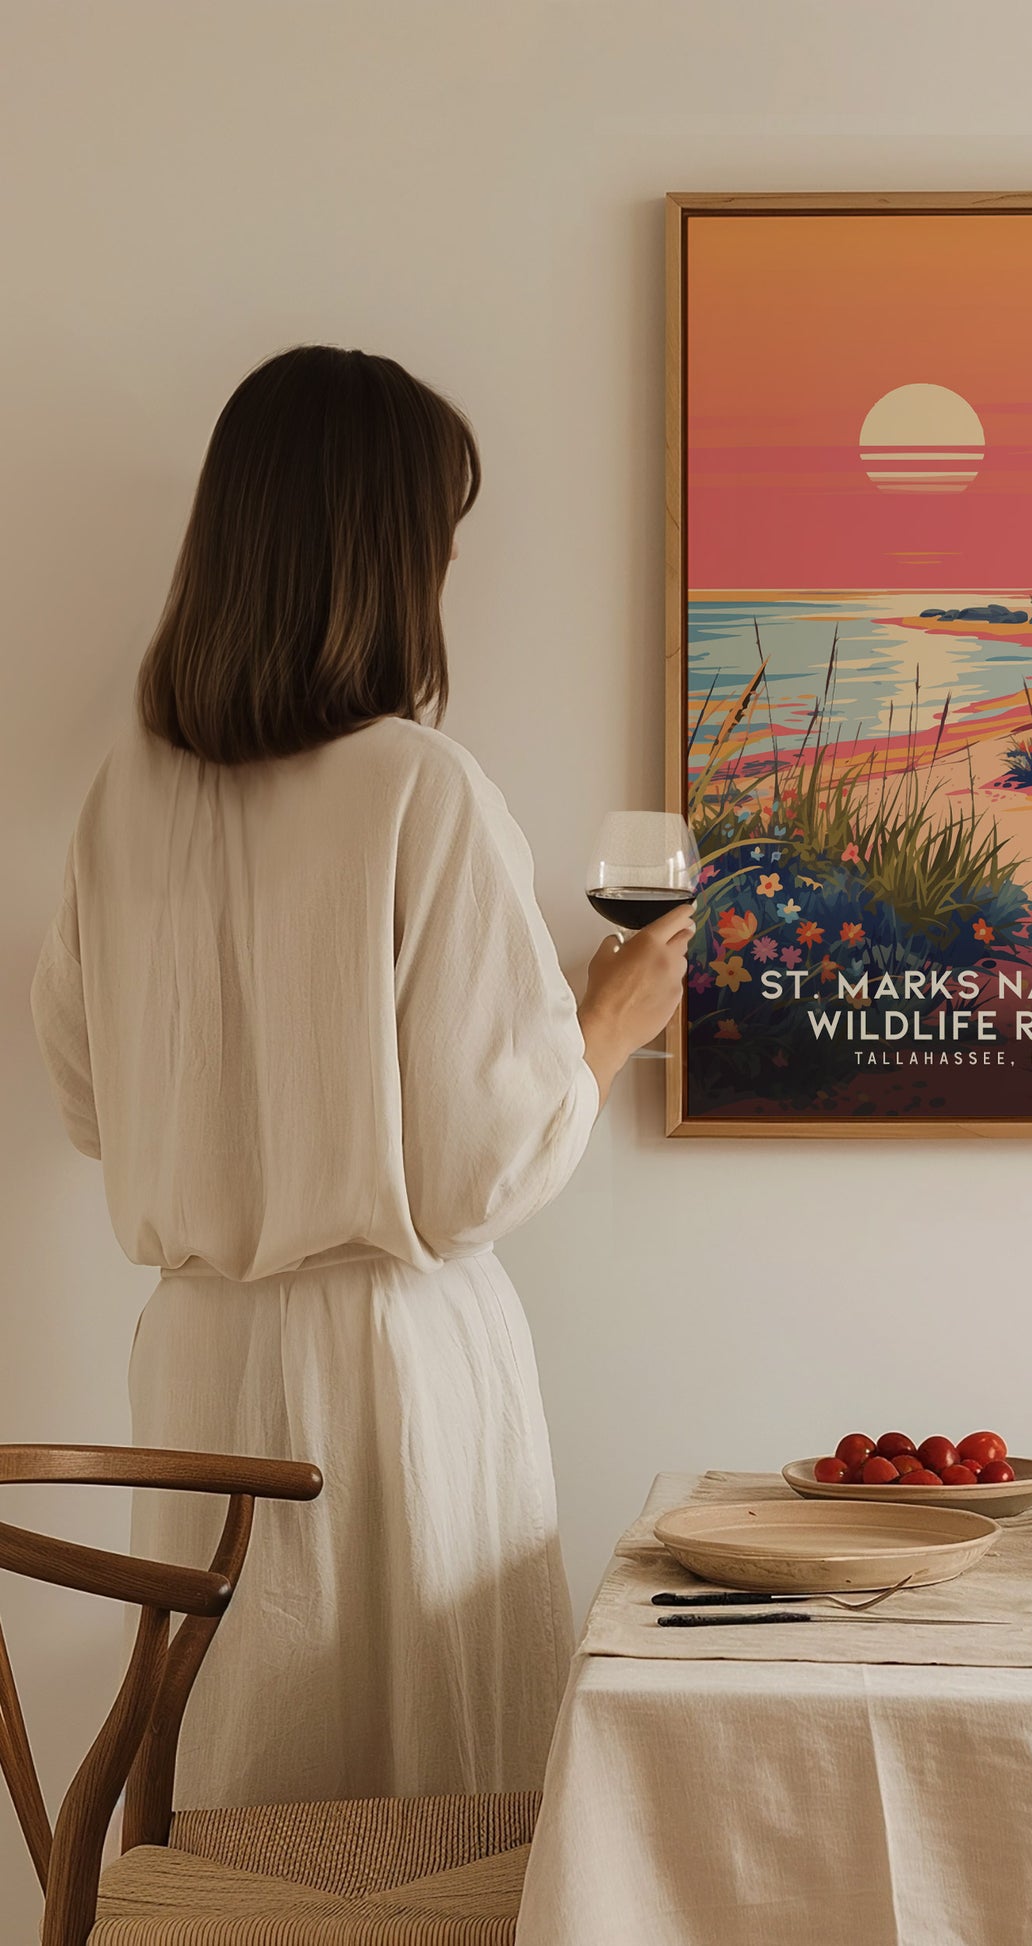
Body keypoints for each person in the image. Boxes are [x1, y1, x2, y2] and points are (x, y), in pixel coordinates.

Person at [29, 345, 691, 1806]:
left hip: (197, 1362)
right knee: (424, 1812)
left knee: (240, 1793)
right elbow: (474, 1173)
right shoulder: (418, 786)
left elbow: (87, 1100)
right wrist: (607, 1020)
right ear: (388, 556)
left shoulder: (122, 797)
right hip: (391, 1373)